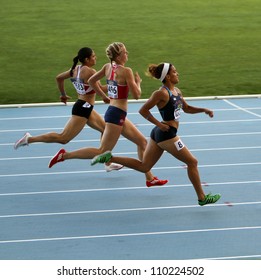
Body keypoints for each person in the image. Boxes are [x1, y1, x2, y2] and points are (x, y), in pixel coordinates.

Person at [91, 62, 221, 206]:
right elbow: (143, 110)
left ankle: (110, 157)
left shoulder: (177, 91)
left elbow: (187, 108)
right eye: (174, 72)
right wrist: (159, 124)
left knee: (144, 167)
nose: (177, 74)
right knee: (192, 162)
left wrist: (204, 110)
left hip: (160, 134)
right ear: (167, 76)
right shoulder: (161, 93)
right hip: (167, 134)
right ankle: (202, 198)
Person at [48, 42, 168, 187]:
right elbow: (137, 95)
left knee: (142, 142)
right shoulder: (126, 71)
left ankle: (150, 178)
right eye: (125, 52)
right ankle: (65, 155)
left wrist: (104, 96)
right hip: (116, 115)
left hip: (116, 113)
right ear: (118, 56)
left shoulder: (107, 67)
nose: (127, 54)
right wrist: (138, 82)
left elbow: (92, 81)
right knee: (102, 151)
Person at [14, 47, 122, 172]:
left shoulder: (75, 69)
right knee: (63, 138)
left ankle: (107, 163)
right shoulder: (90, 72)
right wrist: (114, 85)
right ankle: (29, 139)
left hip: (83, 106)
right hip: (83, 109)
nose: (95, 58)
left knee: (105, 129)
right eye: (93, 56)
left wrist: (63, 94)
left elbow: (59, 78)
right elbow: (98, 88)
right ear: (87, 59)